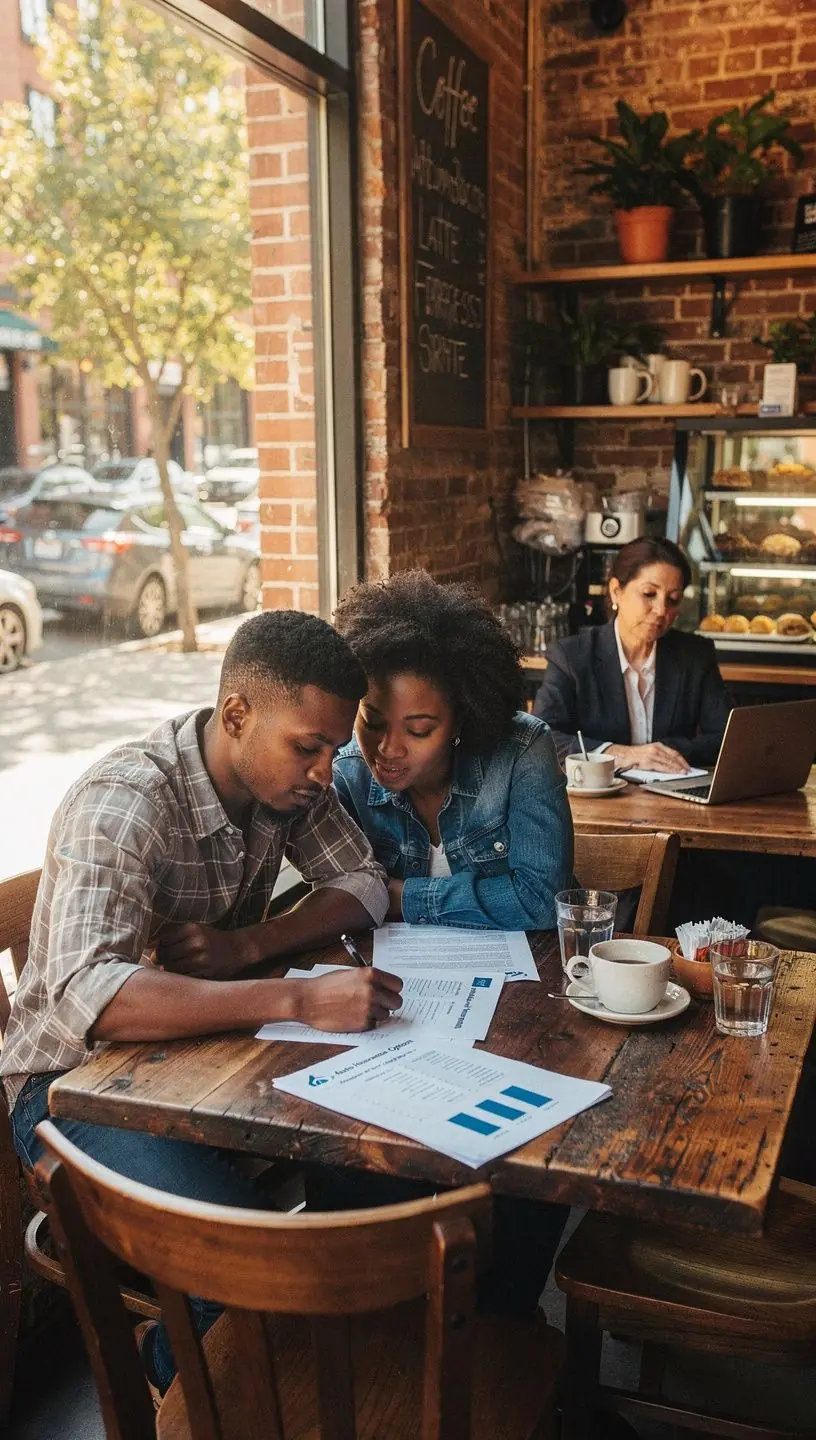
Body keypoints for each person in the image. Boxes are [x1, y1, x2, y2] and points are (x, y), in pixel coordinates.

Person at [1, 609, 402, 1392]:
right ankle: (174, 1378)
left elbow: (364, 884)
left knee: (378, 1177)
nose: (326, 773)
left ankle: (293, 1363)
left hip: (195, 1060)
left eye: (333, 750)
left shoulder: (286, 784)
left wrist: (249, 947)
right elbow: (91, 997)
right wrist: (297, 1002)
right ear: (236, 715)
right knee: (246, 1259)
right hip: (70, 1091)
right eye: (308, 748)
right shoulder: (126, 803)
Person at [332, 569, 573, 930]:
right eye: (373, 722)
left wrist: (401, 897)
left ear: (461, 718)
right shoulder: (349, 772)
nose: (387, 748)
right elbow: (340, 894)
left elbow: (540, 901)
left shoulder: (521, 751)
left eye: (419, 730)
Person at [533, 536, 729, 772]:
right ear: (616, 591)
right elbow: (541, 739)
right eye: (648, 594)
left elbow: (726, 738)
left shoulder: (695, 655)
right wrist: (621, 754)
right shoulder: (572, 655)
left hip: (672, 796)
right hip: (596, 798)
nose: (661, 610)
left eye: (673, 599)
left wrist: (659, 754)